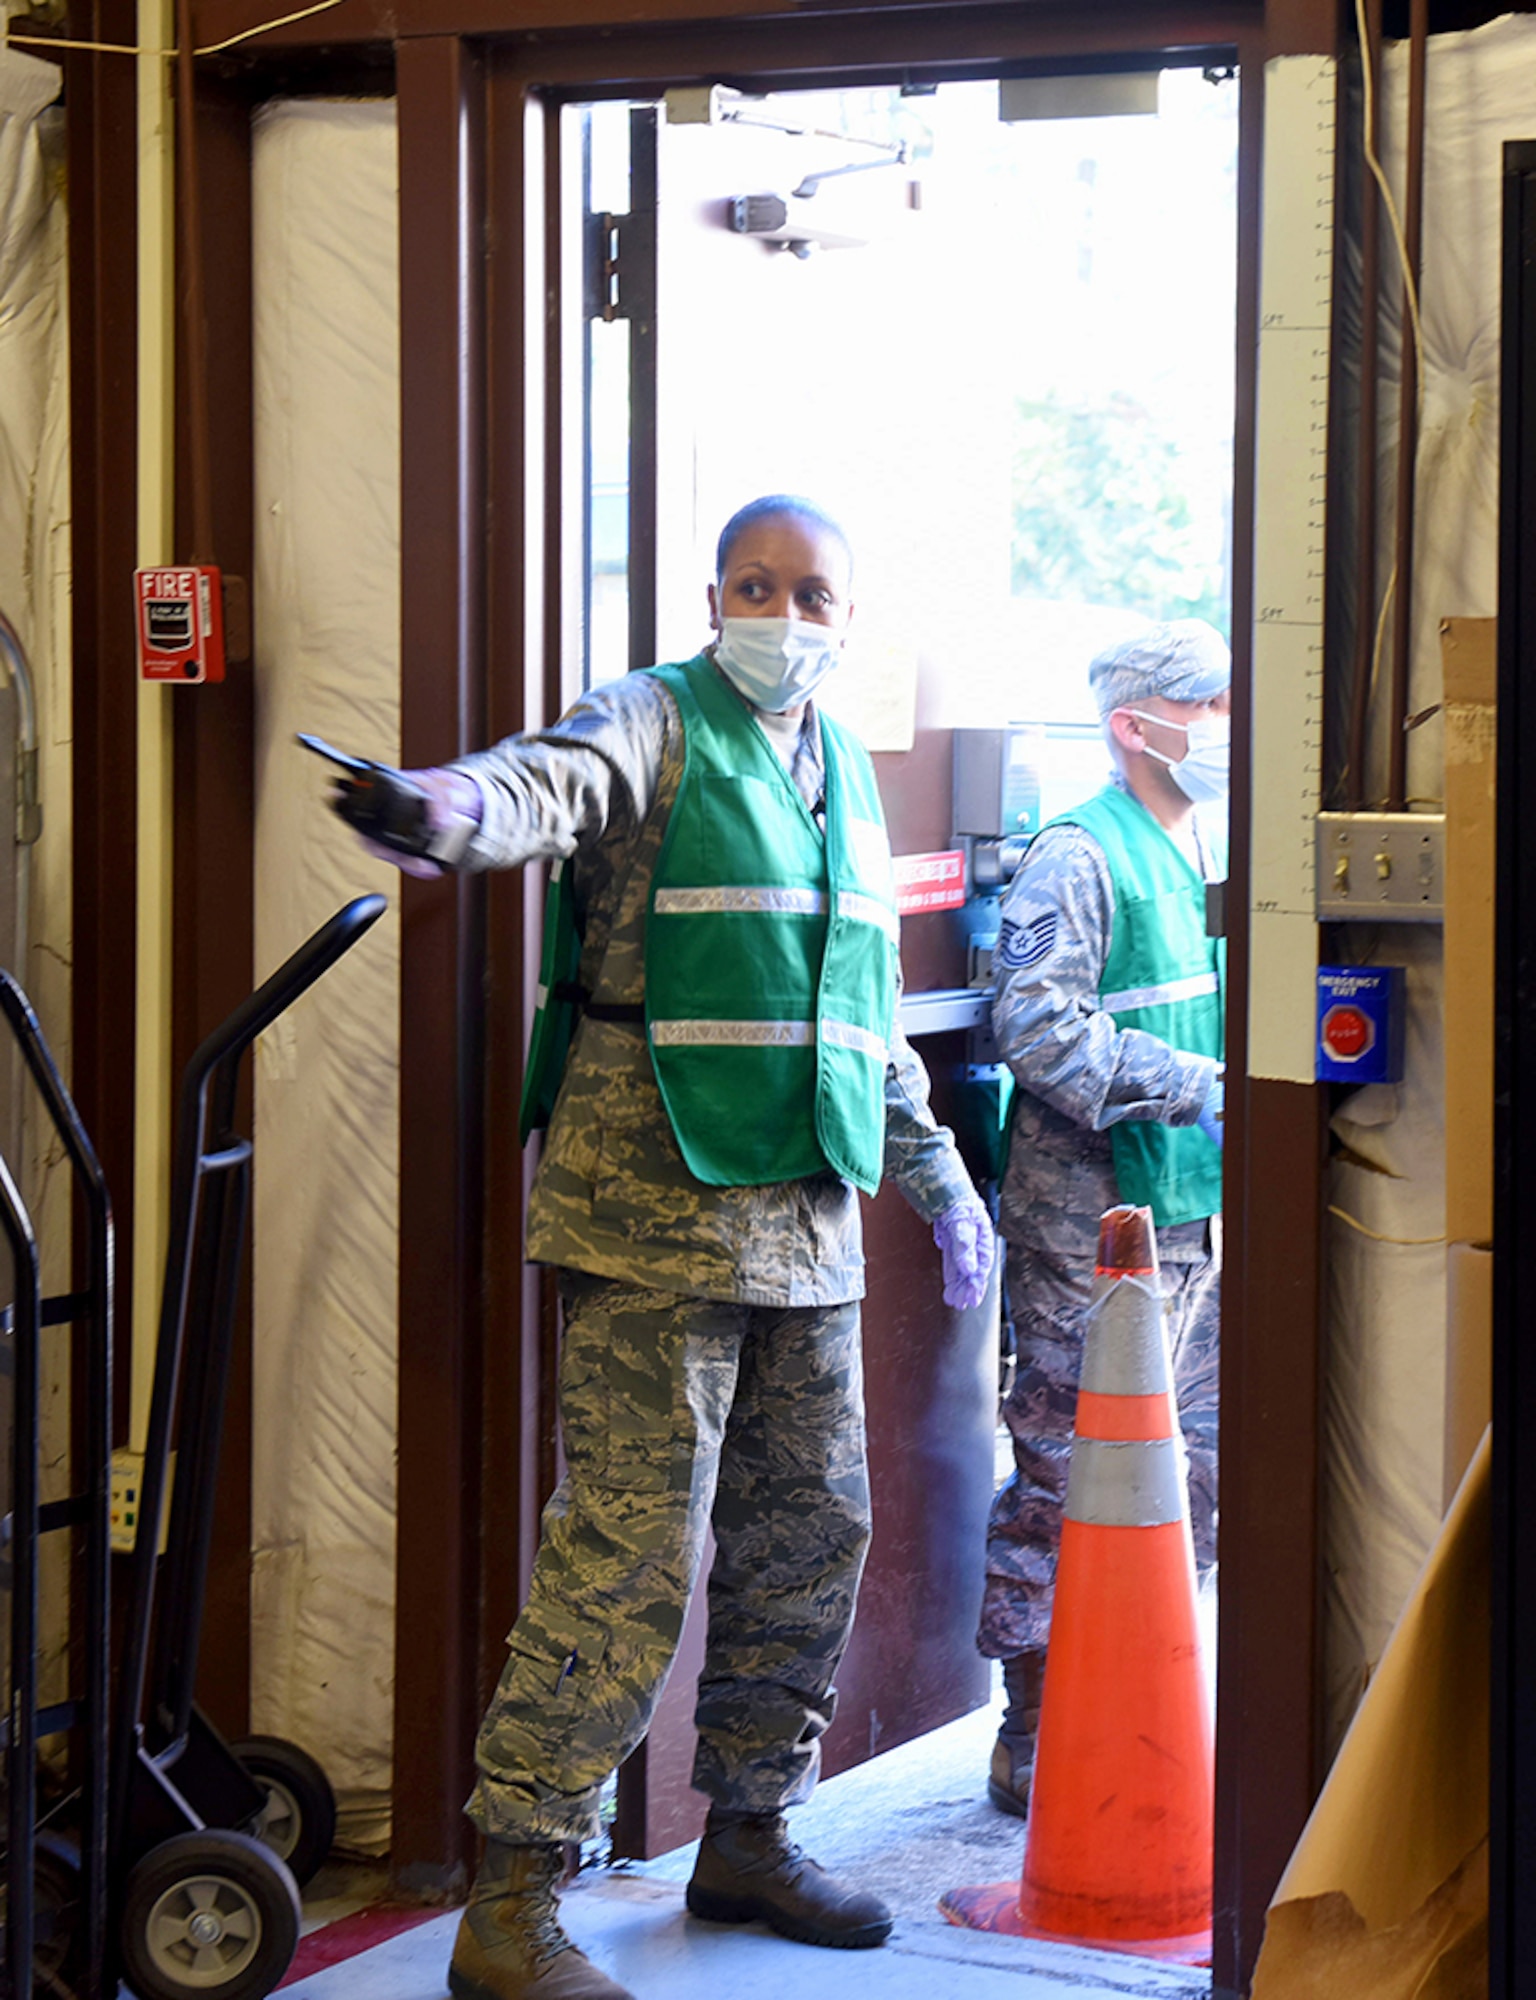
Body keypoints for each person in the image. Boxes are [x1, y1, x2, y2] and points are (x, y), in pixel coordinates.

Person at [343, 495, 995, 2000]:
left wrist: (938, 1178)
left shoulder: (839, 768)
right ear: (715, 596)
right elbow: (548, 781)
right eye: (754, 587)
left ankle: (750, 1834)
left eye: (810, 591)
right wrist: (448, 813)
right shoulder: (655, 717)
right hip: (654, 1214)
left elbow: (857, 1012)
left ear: (845, 611)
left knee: (806, 1538)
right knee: (627, 1555)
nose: (782, 613)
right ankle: (513, 1897)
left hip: (808, 1222)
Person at [978, 619, 1228, 1819]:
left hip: (1196, 1220)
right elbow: (1038, 1029)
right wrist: (1198, 1089)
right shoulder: (1080, 852)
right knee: (1067, 1472)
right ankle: (1033, 1725)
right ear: (1138, 724)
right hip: (1095, 1229)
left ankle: (1141, 1704)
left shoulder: (1199, 850)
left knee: (1195, 1476)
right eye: (1212, 703)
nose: (1228, 726)